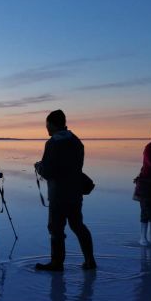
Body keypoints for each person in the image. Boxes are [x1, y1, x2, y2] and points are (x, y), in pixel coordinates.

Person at [34, 110, 97, 271]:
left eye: (47, 125)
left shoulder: (53, 143)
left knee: (56, 228)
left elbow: (48, 171)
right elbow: (75, 167)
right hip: (75, 193)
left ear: (54, 125)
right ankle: (90, 260)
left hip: (58, 194)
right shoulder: (76, 141)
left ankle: (57, 263)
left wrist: (39, 167)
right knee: (77, 225)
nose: (46, 129)